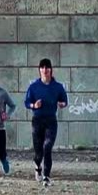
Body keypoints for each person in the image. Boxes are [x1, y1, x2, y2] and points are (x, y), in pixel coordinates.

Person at [23, 58, 68, 187]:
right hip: (37, 121)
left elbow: (64, 100)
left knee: (47, 147)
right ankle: (37, 166)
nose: (45, 70)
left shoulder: (58, 87)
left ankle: (46, 176)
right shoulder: (34, 87)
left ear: (51, 70)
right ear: (39, 70)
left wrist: (62, 104)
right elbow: (26, 103)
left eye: (47, 67)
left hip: (51, 121)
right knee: (38, 151)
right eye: (42, 67)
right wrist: (34, 105)